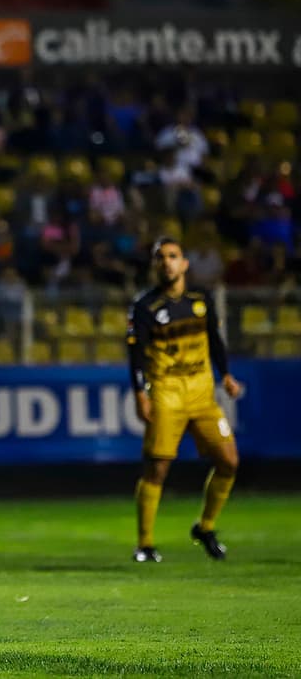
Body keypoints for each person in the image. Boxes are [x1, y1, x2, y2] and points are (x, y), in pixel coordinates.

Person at [128, 237, 243, 563]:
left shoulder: (201, 299)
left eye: (173, 256)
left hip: (202, 393)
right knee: (158, 468)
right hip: (166, 392)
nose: (167, 262)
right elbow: (136, 355)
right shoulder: (144, 307)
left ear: (184, 263)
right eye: (161, 257)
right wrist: (140, 393)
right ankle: (145, 544)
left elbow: (215, 341)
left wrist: (226, 375)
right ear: (154, 265)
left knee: (229, 461)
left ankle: (205, 527)